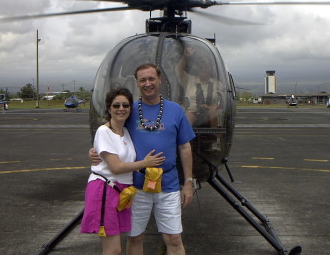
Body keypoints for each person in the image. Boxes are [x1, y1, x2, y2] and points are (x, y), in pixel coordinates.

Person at [90, 63, 195, 255]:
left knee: (174, 237)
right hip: (137, 186)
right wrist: (95, 150)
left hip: (169, 184)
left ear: (160, 80)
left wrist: (188, 182)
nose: (148, 83)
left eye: (151, 78)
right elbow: (112, 128)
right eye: (142, 80)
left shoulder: (175, 110)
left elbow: (185, 146)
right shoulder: (130, 109)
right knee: (135, 237)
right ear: (137, 83)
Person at [81, 87, 165, 255]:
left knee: (116, 248)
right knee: (113, 251)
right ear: (109, 109)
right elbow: (116, 167)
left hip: (122, 192)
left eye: (125, 105)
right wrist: (145, 163)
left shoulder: (125, 131)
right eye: (116, 105)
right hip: (106, 190)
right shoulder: (104, 131)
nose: (121, 109)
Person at [176, 46, 225, 127]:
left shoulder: (218, 84)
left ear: (210, 69)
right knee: (187, 118)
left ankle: (217, 137)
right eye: (201, 67)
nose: (204, 69)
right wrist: (185, 57)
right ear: (198, 69)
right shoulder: (189, 80)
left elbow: (222, 101)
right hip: (192, 111)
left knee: (214, 114)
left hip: (210, 113)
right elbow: (178, 70)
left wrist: (212, 107)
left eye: (206, 67)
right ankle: (186, 138)